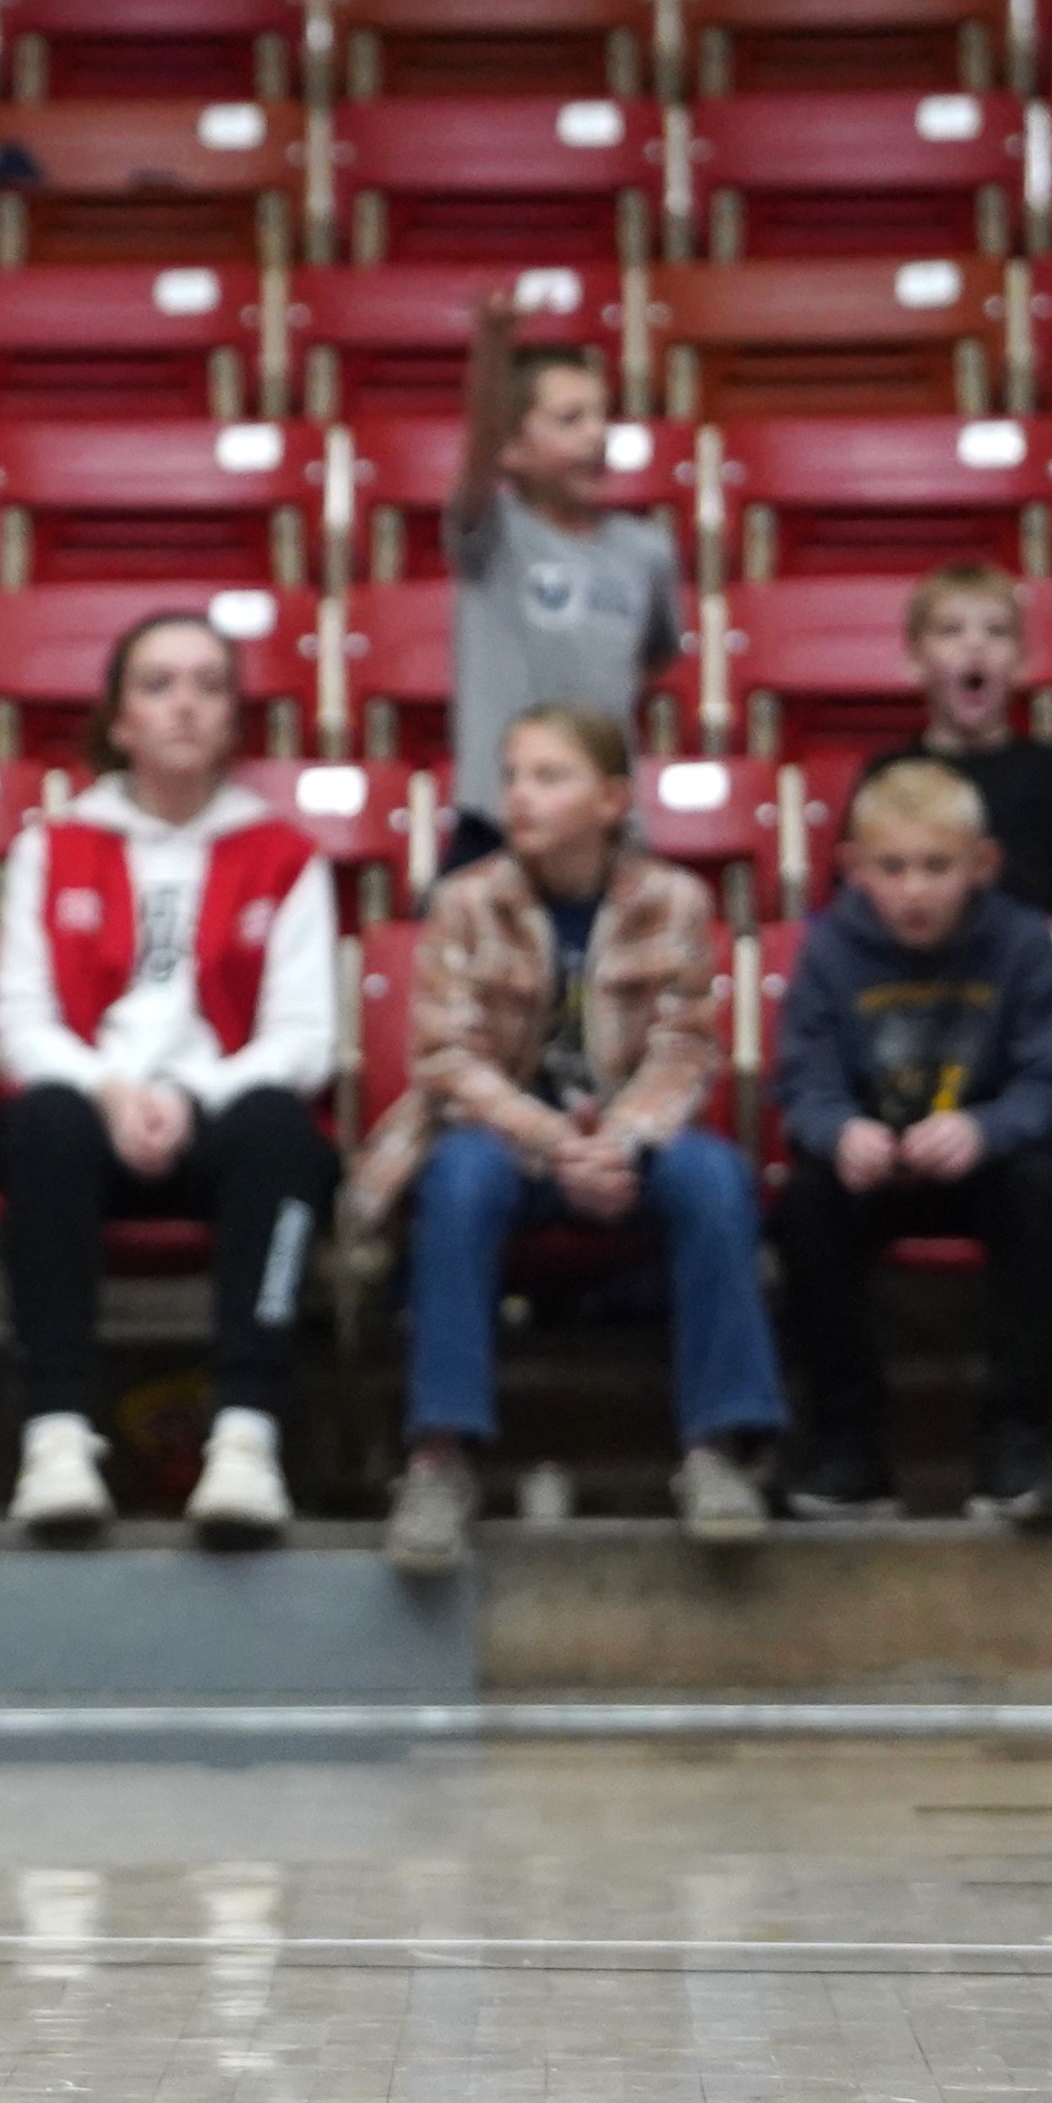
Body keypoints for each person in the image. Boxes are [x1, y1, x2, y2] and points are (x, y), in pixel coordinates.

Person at [350, 704, 774, 1575]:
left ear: (611, 798)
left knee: (715, 1178)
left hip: (627, 1142)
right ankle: (440, 1455)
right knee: (459, 1177)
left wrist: (618, 1140)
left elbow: (684, 1048)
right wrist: (555, 1141)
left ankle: (717, 1449)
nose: (520, 796)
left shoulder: (673, 900)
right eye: (511, 776)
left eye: (548, 776)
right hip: (502, 1133)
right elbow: (447, 1059)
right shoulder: (466, 901)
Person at [0, 611, 342, 1547]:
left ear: (232, 719)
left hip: (216, 1108)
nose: (183, 704)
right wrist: (110, 1088)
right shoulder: (51, 846)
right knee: (41, 1125)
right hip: (93, 1101)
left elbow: (303, 1037)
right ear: (119, 718)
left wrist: (192, 1096)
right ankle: (55, 1435)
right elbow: (17, 1023)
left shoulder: (284, 855)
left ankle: (245, 1439)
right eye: (157, 684)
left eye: (206, 685)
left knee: (281, 1131)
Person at [769, 756, 1052, 1531]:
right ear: (852, 869)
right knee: (805, 1201)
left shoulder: (1021, 946)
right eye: (892, 867)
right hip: (872, 1162)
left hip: (983, 1163)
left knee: (1040, 1187)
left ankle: (1015, 1444)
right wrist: (838, 1130)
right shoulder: (828, 951)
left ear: (981, 865)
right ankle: (849, 1449)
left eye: (936, 867)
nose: (913, 889)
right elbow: (801, 1081)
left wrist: (984, 1127)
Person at [440, 290, 678, 882]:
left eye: (603, 417)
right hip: (498, 823)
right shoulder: (494, 535)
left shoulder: (646, 551)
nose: (596, 435)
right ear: (514, 449)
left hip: (606, 835)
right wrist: (494, 347)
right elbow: (479, 450)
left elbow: (653, 658)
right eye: (570, 420)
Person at [896, 564, 1052, 928]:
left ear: (1022, 660)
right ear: (914, 659)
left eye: (996, 631)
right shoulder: (892, 773)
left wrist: (1043, 950)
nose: (975, 644)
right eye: (951, 630)